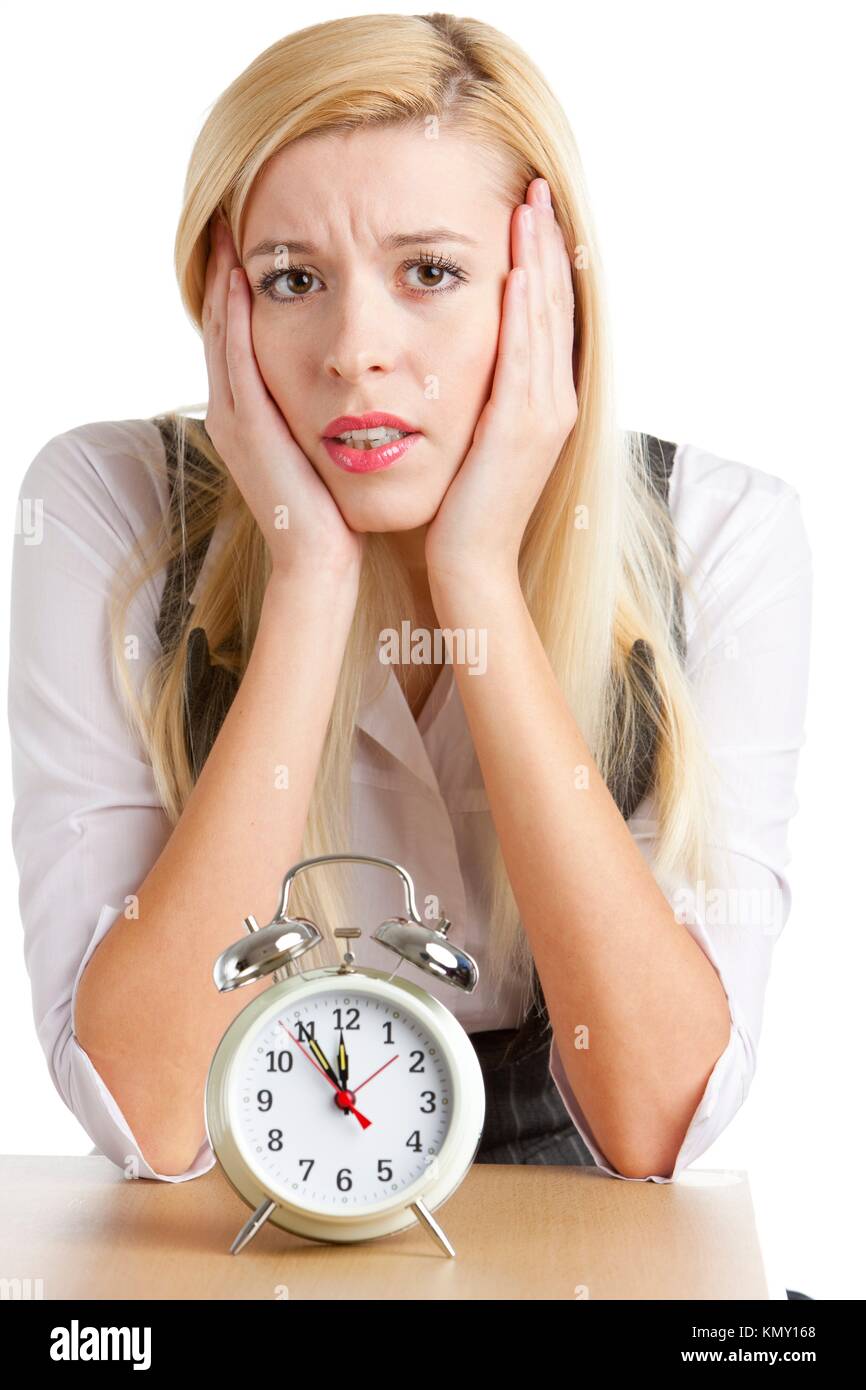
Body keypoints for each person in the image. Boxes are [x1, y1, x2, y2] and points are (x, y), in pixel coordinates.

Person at [8, 13, 811, 1187]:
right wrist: (308, 575)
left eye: (428, 272)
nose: (354, 349)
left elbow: (655, 1122)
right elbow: (145, 1112)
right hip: (243, 1235)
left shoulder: (719, 532)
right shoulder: (105, 504)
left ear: (545, 296)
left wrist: (476, 581)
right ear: (222, 309)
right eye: (292, 281)